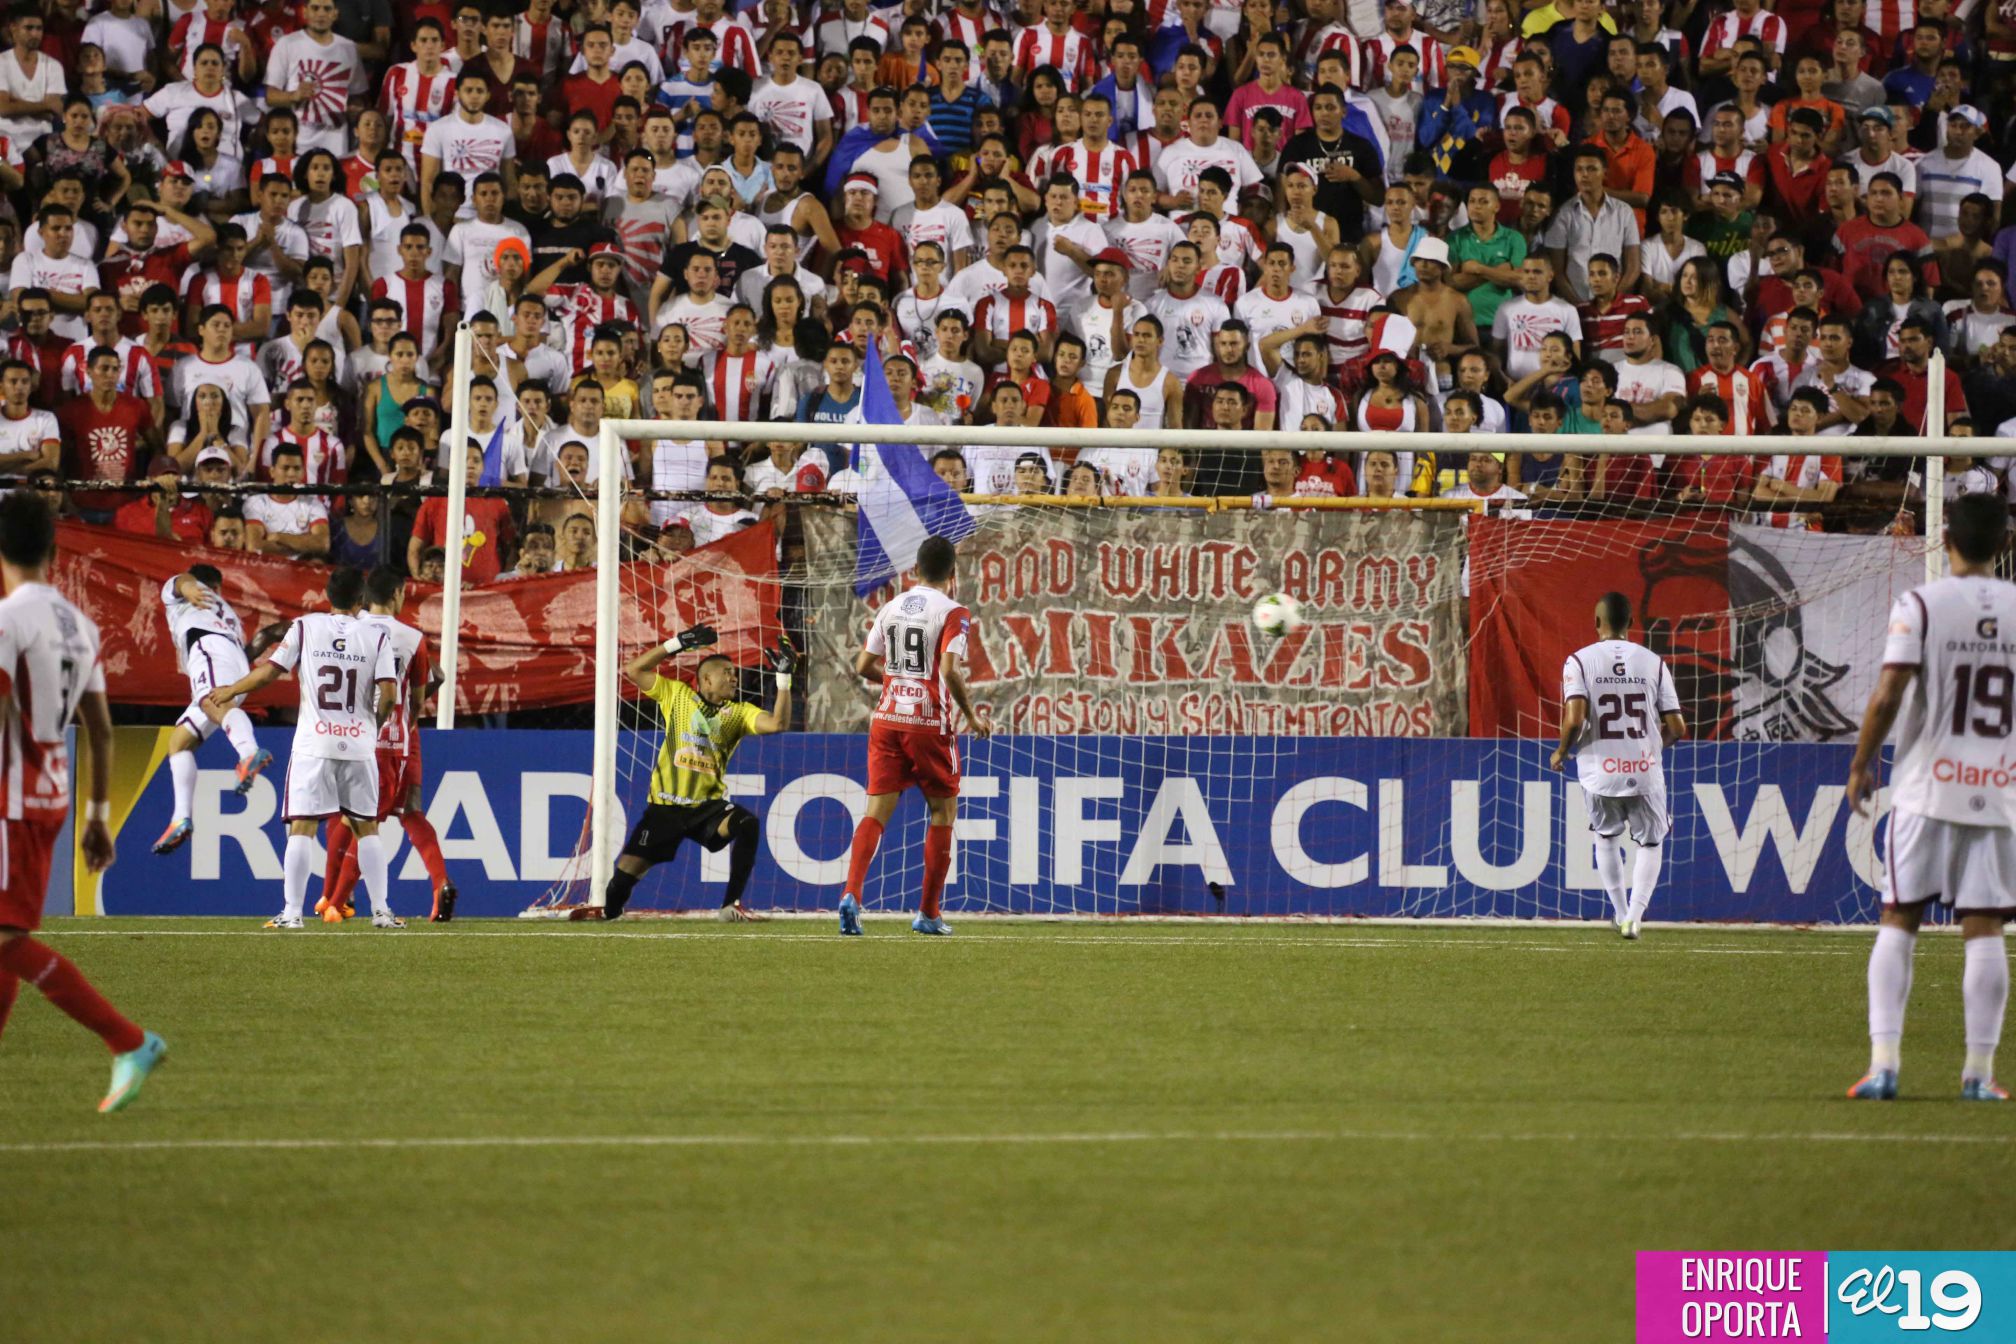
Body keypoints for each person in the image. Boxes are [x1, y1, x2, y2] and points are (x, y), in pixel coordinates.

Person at [1846, 491, 2015, 1102]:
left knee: (1899, 916)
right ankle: (1977, 1075)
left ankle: (1885, 1066)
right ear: (2005, 544)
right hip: (1999, 793)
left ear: (1944, 542)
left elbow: (1889, 691)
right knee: (1986, 927)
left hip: (1925, 787)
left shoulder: (1921, 602)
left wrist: (1862, 763)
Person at [0, 491, 166, 1113]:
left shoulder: (9, 619)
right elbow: (99, 730)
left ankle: (129, 1039)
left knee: (6, 938)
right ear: (55, 547)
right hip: (50, 799)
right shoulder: (80, 624)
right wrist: (97, 819)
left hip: (9, 799)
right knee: (8, 935)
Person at [204, 566, 403, 930]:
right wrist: (370, 726)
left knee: (302, 827)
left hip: (314, 741)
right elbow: (389, 695)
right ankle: (382, 912)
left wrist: (231, 690)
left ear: (328, 596)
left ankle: (292, 913)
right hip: (359, 744)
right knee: (367, 828)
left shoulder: (305, 626)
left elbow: (269, 671)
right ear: (361, 600)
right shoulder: (376, 637)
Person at [840, 534, 992, 936]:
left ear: (915, 570)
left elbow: (862, 664)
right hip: (927, 724)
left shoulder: (891, 607)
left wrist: (893, 681)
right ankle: (928, 913)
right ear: (952, 573)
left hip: (887, 719)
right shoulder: (954, 611)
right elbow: (947, 670)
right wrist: (972, 717)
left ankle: (852, 894)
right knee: (942, 812)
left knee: (875, 814)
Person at [599, 625, 796, 922]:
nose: (733, 677)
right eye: (726, 672)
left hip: (707, 809)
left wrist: (784, 680)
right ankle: (609, 915)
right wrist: (676, 644)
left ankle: (731, 905)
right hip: (665, 808)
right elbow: (634, 669)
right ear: (706, 679)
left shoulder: (739, 713)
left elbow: (778, 723)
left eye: (734, 672)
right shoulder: (677, 696)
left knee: (748, 824)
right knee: (621, 883)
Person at [317, 568, 456, 925]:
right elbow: (434, 679)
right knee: (409, 812)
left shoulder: (349, 627)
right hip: (401, 738)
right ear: (398, 593)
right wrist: (406, 714)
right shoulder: (411, 637)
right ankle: (439, 882)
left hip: (352, 733)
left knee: (352, 818)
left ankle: (330, 899)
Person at [1549, 590, 1686, 940]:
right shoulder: (1653, 661)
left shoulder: (1578, 661)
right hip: (1644, 771)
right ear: (1631, 623)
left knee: (1606, 838)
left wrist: (1561, 751)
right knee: (1650, 844)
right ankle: (1635, 918)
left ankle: (1620, 911)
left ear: (1597, 622)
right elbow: (1678, 728)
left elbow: (1575, 718)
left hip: (1599, 773)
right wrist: (1654, 747)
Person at [148, 563, 275, 856]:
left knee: (212, 701)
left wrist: (190, 586)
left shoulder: (186, 593)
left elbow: (181, 580)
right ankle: (180, 817)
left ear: (209, 587)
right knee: (179, 742)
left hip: (206, 647)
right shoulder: (230, 615)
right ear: (220, 587)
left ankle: (247, 753)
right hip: (234, 663)